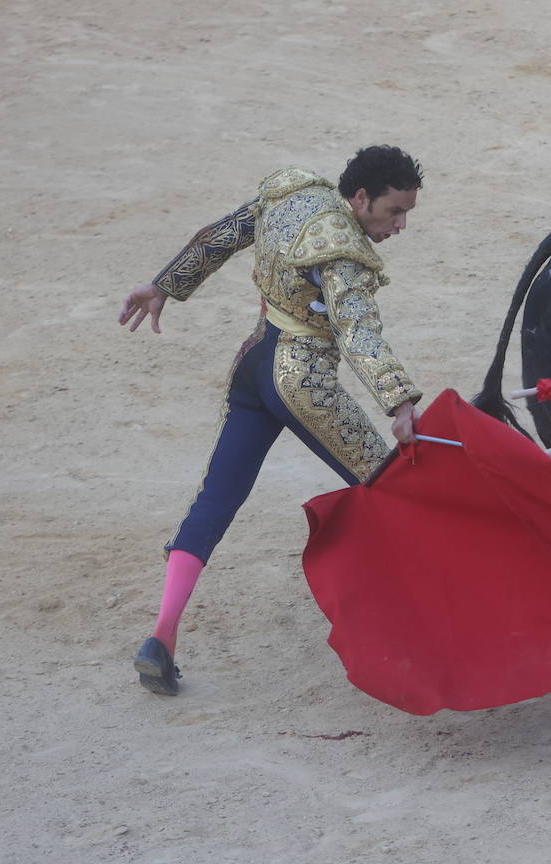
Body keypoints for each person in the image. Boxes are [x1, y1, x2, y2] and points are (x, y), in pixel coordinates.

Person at [119, 146, 426, 696]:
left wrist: (162, 285)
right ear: (360, 199)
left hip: (255, 360)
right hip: (302, 381)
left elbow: (221, 235)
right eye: (392, 212)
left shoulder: (294, 191)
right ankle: (417, 621)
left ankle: (161, 636)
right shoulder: (343, 252)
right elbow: (357, 333)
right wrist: (398, 399)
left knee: (216, 497)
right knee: (392, 486)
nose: (399, 225)